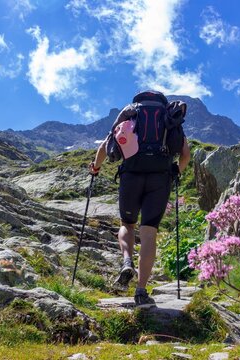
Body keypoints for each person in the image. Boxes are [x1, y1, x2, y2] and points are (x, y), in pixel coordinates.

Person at [89, 95, 191, 308]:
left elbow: (106, 146)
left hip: (131, 175)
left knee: (127, 225)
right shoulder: (169, 115)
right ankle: (141, 291)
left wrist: (95, 168)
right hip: (160, 178)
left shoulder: (131, 112)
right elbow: (185, 154)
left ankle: (127, 262)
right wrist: (175, 172)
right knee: (149, 231)